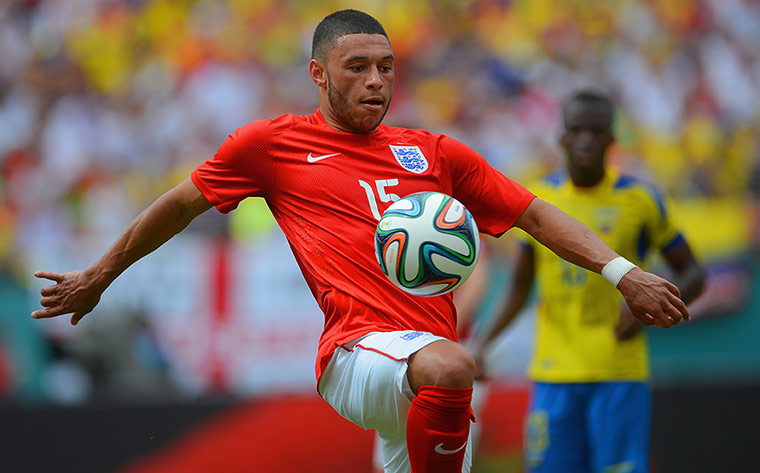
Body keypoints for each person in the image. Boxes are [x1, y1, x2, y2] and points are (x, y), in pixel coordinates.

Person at [31, 11, 690, 473]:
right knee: (454, 366)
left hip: (419, 364)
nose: (376, 80)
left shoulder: (432, 152)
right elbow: (177, 205)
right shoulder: (270, 146)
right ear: (319, 75)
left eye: (386, 66)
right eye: (357, 67)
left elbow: (537, 216)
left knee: (443, 376)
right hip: (354, 354)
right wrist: (100, 273)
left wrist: (622, 272)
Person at [473, 89, 705, 473]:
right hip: (553, 372)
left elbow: (692, 271)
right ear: (561, 136)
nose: (585, 140)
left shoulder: (641, 200)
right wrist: (483, 344)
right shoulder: (540, 200)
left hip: (618, 371)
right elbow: (519, 285)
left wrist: (654, 307)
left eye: (596, 131)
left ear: (611, 140)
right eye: (576, 130)